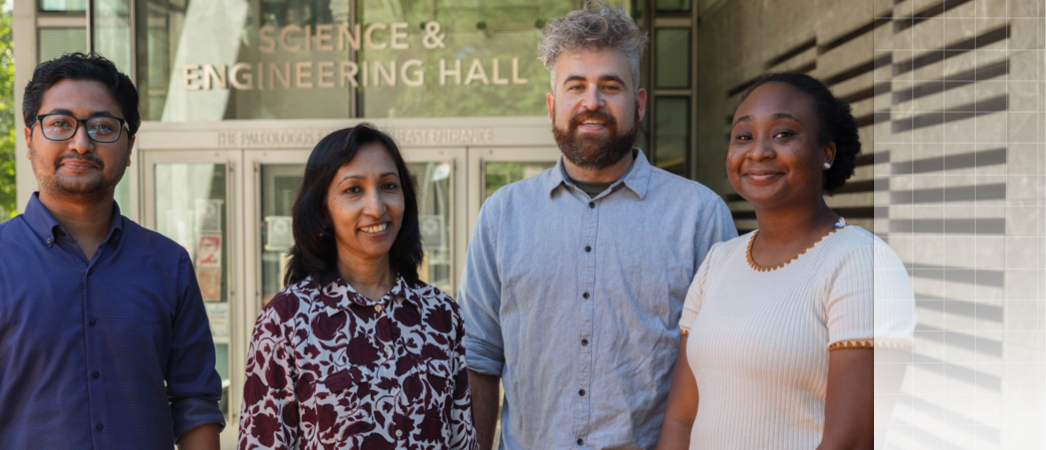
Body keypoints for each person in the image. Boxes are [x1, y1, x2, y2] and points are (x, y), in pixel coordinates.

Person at [457, 3, 737, 449]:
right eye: (576, 86)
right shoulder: (502, 215)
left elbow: (726, 367)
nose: (592, 102)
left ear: (639, 103)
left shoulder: (700, 217)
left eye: (611, 86)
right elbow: (479, 356)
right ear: (552, 105)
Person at [0, 53, 224, 449]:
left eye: (102, 126)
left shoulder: (169, 265)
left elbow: (196, 404)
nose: (81, 143)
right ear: (29, 139)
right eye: (60, 124)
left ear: (130, 144)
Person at [655, 72, 916, 449]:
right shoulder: (718, 261)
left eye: (783, 135)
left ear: (826, 153)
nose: (758, 151)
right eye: (744, 136)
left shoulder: (861, 263)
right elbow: (681, 419)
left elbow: (852, 441)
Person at [238, 124, 476, 449]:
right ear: (323, 208)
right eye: (353, 190)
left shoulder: (441, 315)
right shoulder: (284, 322)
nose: (376, 207)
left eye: (389, 186)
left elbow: (463, 439)